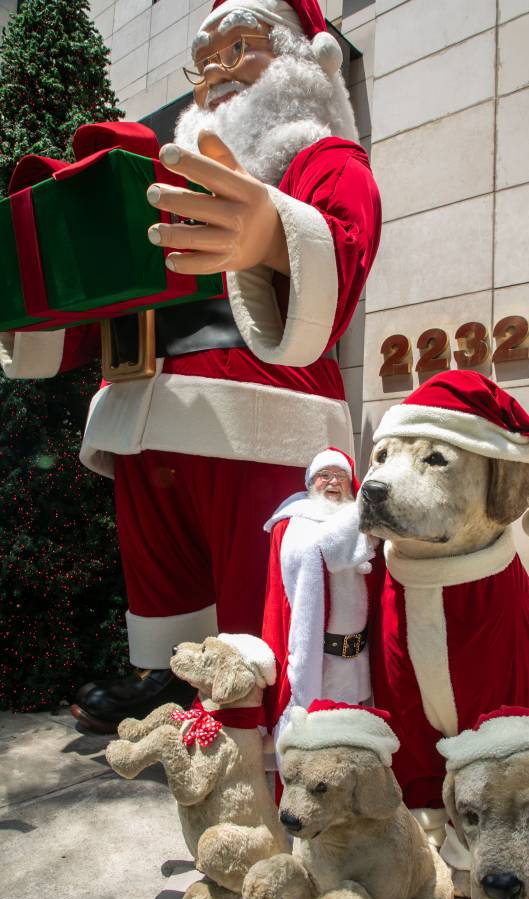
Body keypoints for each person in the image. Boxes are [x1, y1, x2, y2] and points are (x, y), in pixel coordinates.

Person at [0, 0, 381, 731]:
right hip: (146, 406)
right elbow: (101, 306)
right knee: (162, 570)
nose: (215, 73)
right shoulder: (158, 179)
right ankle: (171, 677)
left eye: (238, 48)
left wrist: (273, 232)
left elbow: (347, 245)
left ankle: (275, 700)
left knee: (262, 580)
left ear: (304, 56)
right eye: (203, 61)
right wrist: (34, 302)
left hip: (261, 411)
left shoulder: (320, 156)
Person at [262, 448, 378, 739]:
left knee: (354, 740)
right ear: (309, 483)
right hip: (320, 661)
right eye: (324, 476)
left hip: (359, 659)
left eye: (341, 477)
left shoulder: (367, 526)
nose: (333, 482)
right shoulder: (294, 522)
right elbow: (322, 548)